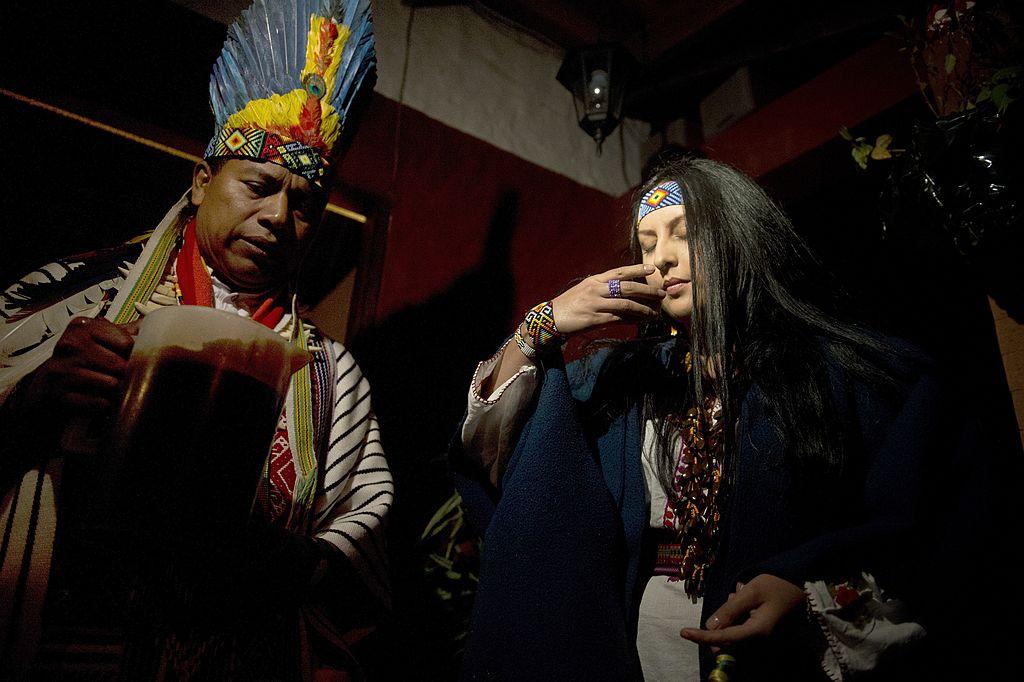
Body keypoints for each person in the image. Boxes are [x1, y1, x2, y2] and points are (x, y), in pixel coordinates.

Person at [449, 157, 960, 680]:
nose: (662, 259)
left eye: (683, 233)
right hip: (635, 647)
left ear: (738, 238)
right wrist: (543, 323)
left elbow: (925, 521)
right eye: (647, 245)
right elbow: (498, 452)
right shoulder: (619, 380)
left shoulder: (834, 372)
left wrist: (808, 586)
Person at [0, 0, 392, 678]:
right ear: (203, 180)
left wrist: (291, 561)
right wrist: (35, 397)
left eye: (305, 204)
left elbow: (364, 528)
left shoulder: (332, 375)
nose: (278, 217)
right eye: (260, 186)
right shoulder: (68, 298)